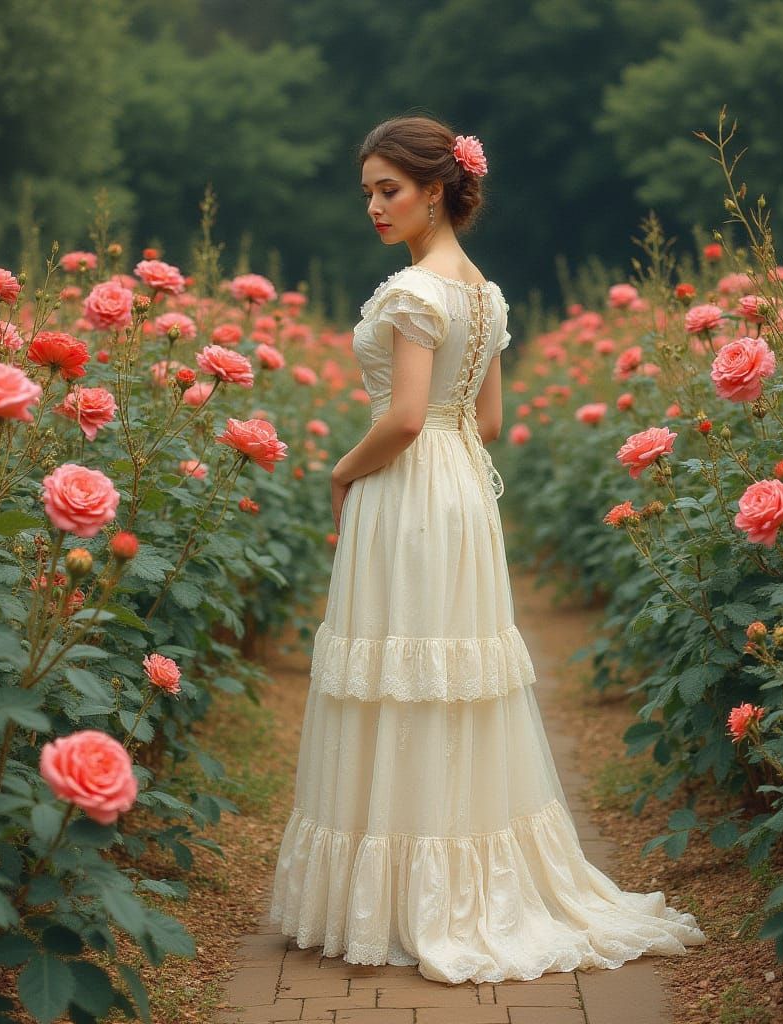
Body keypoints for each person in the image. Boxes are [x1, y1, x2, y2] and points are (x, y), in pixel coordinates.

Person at [268, 114, 706, 984]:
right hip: (461, 489)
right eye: (367, 192)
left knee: (402, 669)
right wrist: (430, 447)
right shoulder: (484, 295)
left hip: (407, 490)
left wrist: (342, 472)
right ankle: (451, 879)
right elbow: (491, 421)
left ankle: (403, 897)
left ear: (437, 189)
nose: (374, 207)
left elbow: (400, 419)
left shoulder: (411, 294)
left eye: (387, 189)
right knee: (447, 677)